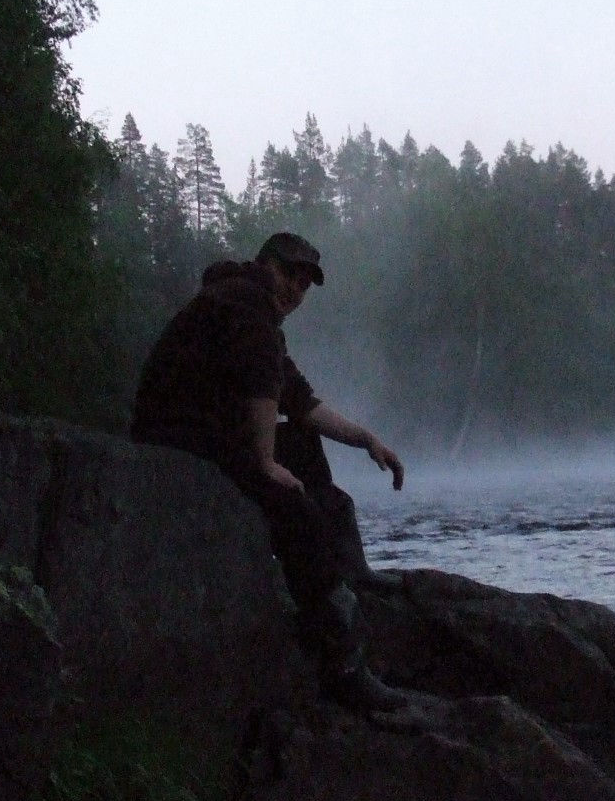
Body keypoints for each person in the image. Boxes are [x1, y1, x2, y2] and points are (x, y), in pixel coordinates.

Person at [131, 231, 411, 712]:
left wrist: (368, 439)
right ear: (265, 266)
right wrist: (264, 463)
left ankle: (349, 567)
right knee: (290, 505)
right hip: (176, 436)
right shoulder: (245, 301)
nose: (296, 292)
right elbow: (263, 386)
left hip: (204, 431)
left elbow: (300, 403)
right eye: (289, 275)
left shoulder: (249, 311)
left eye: (305, 284)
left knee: (301, 445)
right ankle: (344, 667)